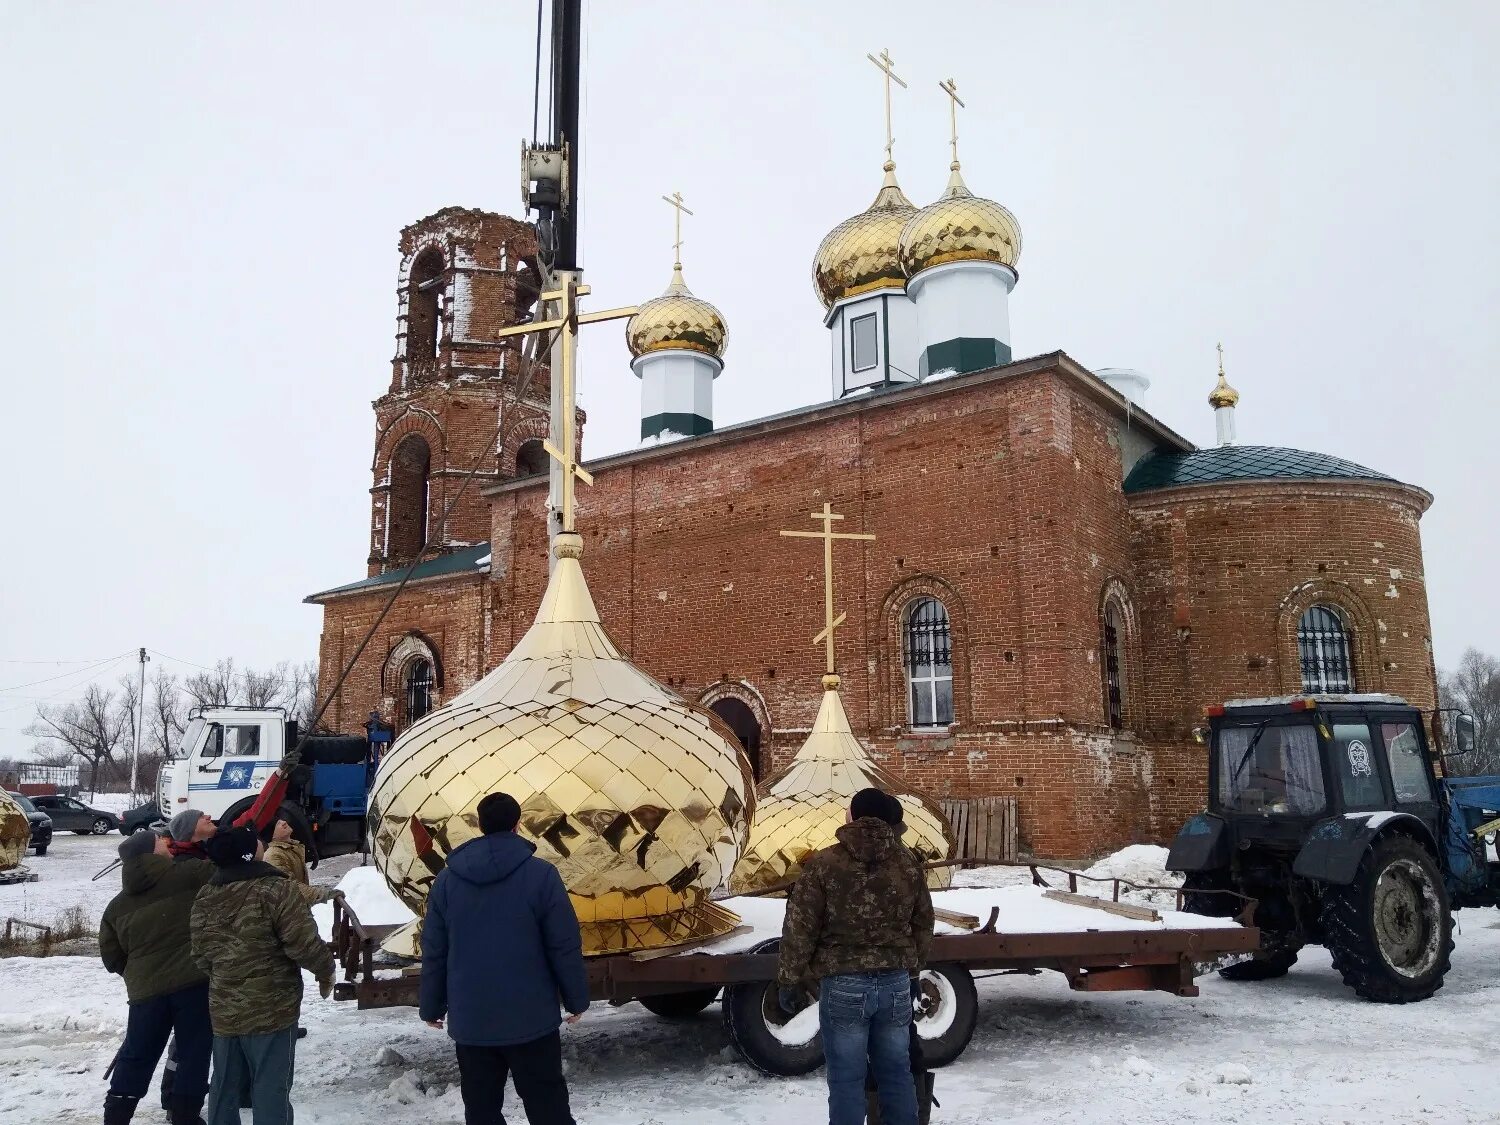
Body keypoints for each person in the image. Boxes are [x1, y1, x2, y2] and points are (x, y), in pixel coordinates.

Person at [419, 792, 589, 1125]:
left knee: (481, 1110)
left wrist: (431, 1006)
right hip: (532, 1020)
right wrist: (576, 999)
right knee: (548, 1107)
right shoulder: (541, 876)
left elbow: (435, 951)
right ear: (517, 825)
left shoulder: (447, 882)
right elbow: (564, 944)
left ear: (479, 826)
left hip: (472, 1022)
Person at [777, 787, 934, 1125]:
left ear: (854, 816)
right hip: (894, 983)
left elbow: (799, 927)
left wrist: (789, 979)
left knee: (847, 1079)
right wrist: (912, 969)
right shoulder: (908, 864)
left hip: (843, 984)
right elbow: (923, 922)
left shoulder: (824, 864)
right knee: (896, 1073)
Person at [190, 825, 334, 1125]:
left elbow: (200, 954)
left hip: (225, 1009)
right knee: (270, 1086)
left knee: (225, 1085)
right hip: (272, 1009)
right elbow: (303, 943)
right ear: (249, 852)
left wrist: (227, 979)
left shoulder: (206, 894)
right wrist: (325, 969)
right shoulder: (275, 890)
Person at [99, 829, 216, 1125]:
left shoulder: (116, 906)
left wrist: (140, 971)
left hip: (145, 993)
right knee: (193, 1051)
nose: (167, 843)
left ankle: (116, 1117)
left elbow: (112, 958)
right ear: (152, 851)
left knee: (137, 1054)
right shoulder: (189, 875)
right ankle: (185, 1117)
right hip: (193, 984)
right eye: (160, 841)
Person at [263, 815, 338, 906]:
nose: (284, 822)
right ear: (273, 835)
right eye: (278, 824)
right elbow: (289, 887)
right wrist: (323, 894)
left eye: (282, 820)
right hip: (290, 916)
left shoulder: (289, 849)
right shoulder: (274, 855)